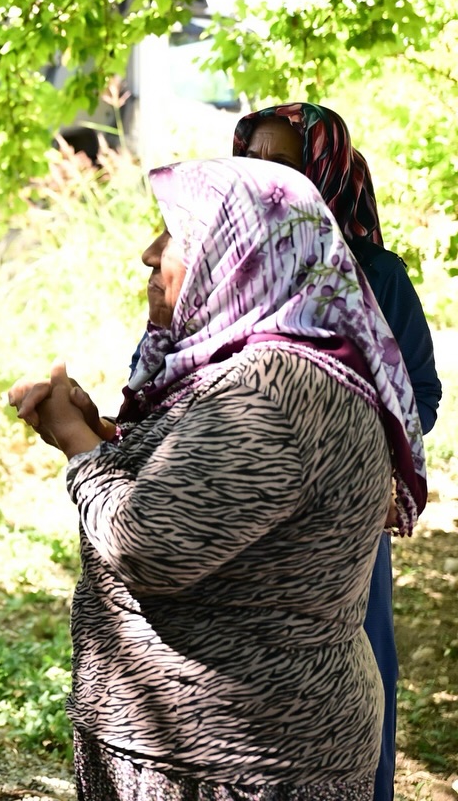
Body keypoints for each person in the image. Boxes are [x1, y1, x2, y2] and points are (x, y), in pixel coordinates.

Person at [9, 157, 426, 799]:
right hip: (212, 748)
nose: (150, 253)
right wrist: (99, 436)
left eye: (174, 234)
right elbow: (211, 499)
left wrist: (75, 444)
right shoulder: (256, 373)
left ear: (246, 250)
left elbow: (151, 543)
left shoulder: (278, 389)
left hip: (239, 757)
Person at [233, 102, 442, 801]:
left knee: (353, 681)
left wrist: (362, 460)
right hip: (241, 516)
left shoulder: (377, 277)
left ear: (323, 174)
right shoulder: (229, 269)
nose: (262, 177)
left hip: (339, 528)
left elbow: (420, 392)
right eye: (251, 159)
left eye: (281, 161)